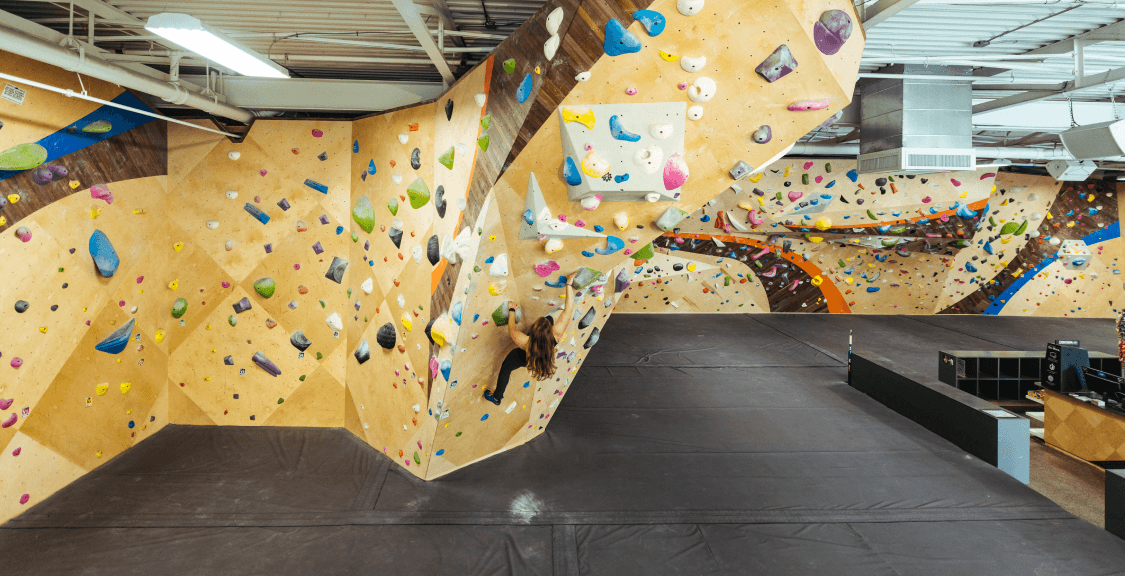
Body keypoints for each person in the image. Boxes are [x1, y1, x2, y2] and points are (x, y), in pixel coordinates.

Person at [484, 273, 576, 405]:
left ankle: (497, 397)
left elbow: (511, 331)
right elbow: (569, 308)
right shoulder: (557, 333)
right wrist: (569, 283)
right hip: (540, 356)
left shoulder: (525, 341)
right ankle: (497, 397)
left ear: (534, 332)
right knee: (549, 319)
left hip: (524, 356)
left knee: (506, 368)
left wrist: (511, 310)